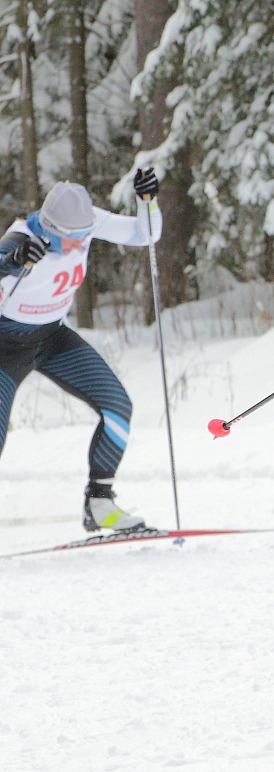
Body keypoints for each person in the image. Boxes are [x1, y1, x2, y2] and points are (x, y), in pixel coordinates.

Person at [0, 170, 163, 532]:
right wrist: (12, 262)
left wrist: (146, 202)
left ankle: (100, 504)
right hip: (5, 346)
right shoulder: (22, 239)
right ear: (49, 228)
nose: (78, 244)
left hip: (52, 337)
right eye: (69, 239)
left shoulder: (86, 225)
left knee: (118, 406)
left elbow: (145, 234)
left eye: (83, 236)